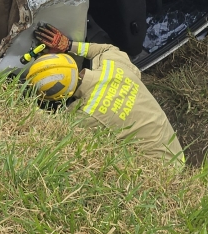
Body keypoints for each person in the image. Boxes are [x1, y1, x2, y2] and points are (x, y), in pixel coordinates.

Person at [21, 24, 184, 165]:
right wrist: (69, 45)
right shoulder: (113, 65)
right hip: (174, 150)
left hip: (159, 167)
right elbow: (107, 49)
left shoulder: (84, 115)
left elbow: (51, 132)